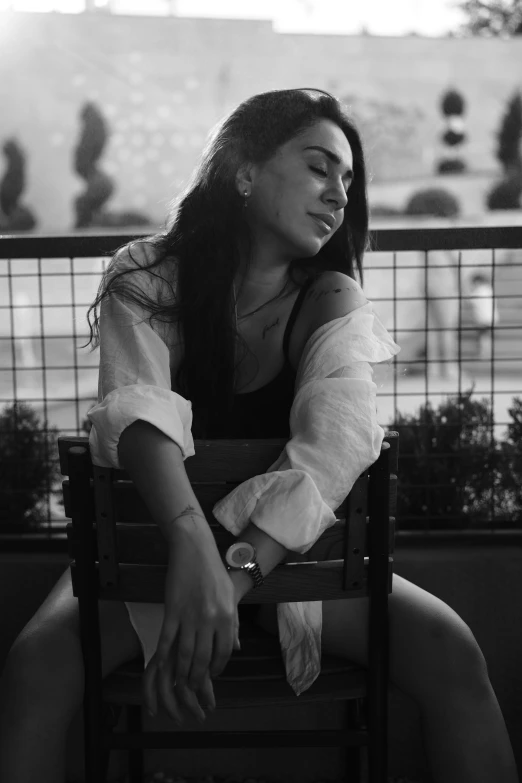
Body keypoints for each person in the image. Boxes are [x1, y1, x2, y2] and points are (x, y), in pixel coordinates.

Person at [0, 88, 518, 783]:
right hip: (151, 561)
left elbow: (334, 446)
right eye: (317, 166)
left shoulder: (331, 298)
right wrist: (190, 546)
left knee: (453, 652)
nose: (338, 194)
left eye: (347, 179)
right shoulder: (147, 276)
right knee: (35, 666)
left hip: (291, 569)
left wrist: (230, 576)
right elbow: (137, 409)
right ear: (243, 171)